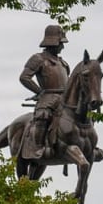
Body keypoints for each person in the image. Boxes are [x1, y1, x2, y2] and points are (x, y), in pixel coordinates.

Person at [19, 24, 70, 160]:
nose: (62, 47)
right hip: (48, 97)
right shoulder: (38, 59)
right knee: (43, 115)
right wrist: (40, 91)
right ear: (54, 42)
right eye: (61, 43)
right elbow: (24, 77)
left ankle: (87, 144)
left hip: (64, 97)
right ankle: (36, 147)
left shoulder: (63, 63)